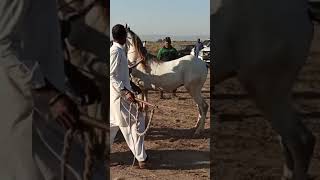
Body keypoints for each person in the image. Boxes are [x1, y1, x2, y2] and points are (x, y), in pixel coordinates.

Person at [0, 0, 83, 179]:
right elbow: (2, 46)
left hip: (42, 109)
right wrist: (49, 95)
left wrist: (71, 76)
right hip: (25, 110)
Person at [110, 24, 149, 169]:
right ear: (124, 37)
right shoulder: (115, 52)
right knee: (135, 123)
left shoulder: (120, 51)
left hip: (118, 96)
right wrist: (125, 91)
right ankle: (141, 158)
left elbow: (122, 72)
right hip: (120, 98)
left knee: (112, 125)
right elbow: (111, 75)